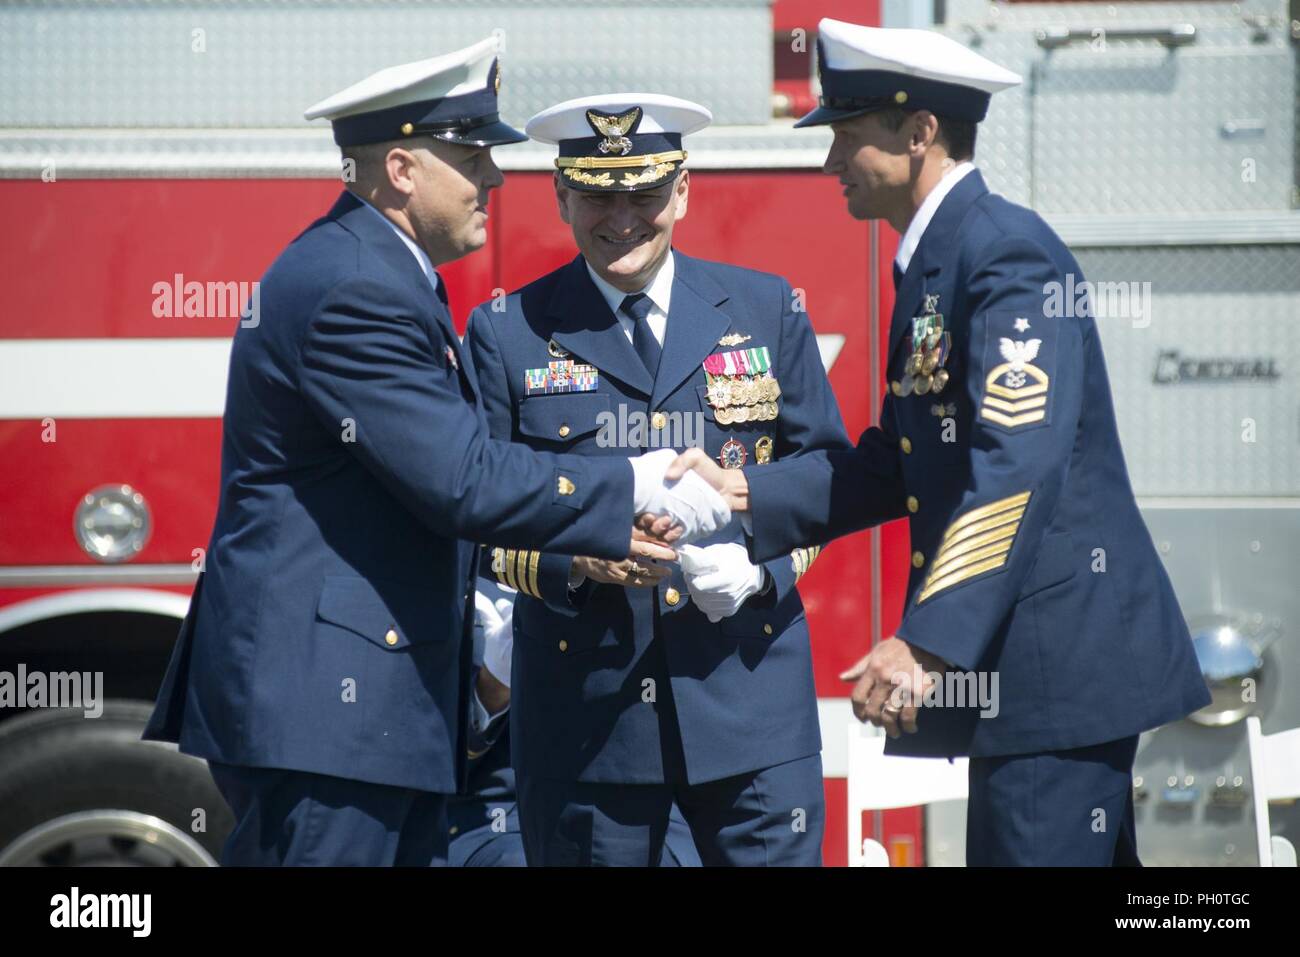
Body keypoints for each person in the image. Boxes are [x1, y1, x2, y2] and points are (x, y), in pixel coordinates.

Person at [142, 38, 728, 867]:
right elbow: (461, 477)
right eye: (472, 154)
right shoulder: (356, 285)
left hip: (359, 715)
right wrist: (631, 482)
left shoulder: (376, 268)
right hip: (329, 717)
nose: (493, 177)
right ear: (403, 169)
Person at [669, 19, 1211, 866]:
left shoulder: (1006, 256)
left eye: (847, 138)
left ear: (919, 133)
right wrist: (744, 494)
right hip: (1032, 684)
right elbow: (902, 462)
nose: (828, 162)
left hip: (1055, 675)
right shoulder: (940, 262)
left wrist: (927, 640)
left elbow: (1013, 465)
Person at [464, 93, 850, 866]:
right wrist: (576, 562)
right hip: (589, 729)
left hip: (752, 713)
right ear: (562, 196)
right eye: (599, 196)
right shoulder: (508, 332)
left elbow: (826, 481)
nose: (622, 217)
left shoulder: (766, 307)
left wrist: (757, 568)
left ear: (682, 191)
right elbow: (476, 522)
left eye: (643, 192)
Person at [447, 580, 702, 867]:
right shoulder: (466, 574)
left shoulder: (625, 573)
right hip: (500, 815)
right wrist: (492, 688)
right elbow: (416, 748)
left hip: (644, 798)